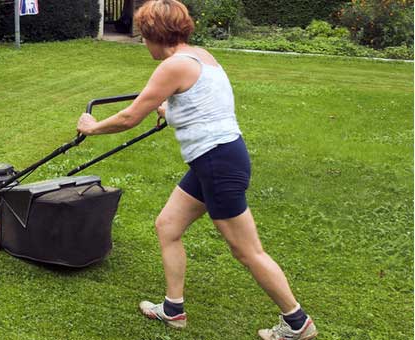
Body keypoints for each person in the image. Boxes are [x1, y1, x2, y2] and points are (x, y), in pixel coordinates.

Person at [76, 1, 318, 339]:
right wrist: (169, 111)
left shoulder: (172, 66)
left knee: (247, 251)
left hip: (217, 163)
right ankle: (173, 309)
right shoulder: (201, 57)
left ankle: (297, 322)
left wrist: (92, 127)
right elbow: (202, 106)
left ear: (155, 35)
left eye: (145, 37)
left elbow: (130, 117)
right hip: (219, 158)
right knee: (168, 225)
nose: (144, 43)